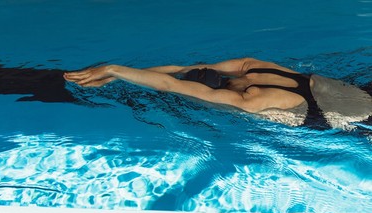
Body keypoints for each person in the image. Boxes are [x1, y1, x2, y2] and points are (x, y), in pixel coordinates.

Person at [64, 57, 372, 129]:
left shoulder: (247, 101)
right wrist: (115, 77)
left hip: (362, 124)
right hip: (362, 95)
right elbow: (178, 71)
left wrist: (116, 71)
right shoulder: (250, 67)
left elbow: (172, 82)